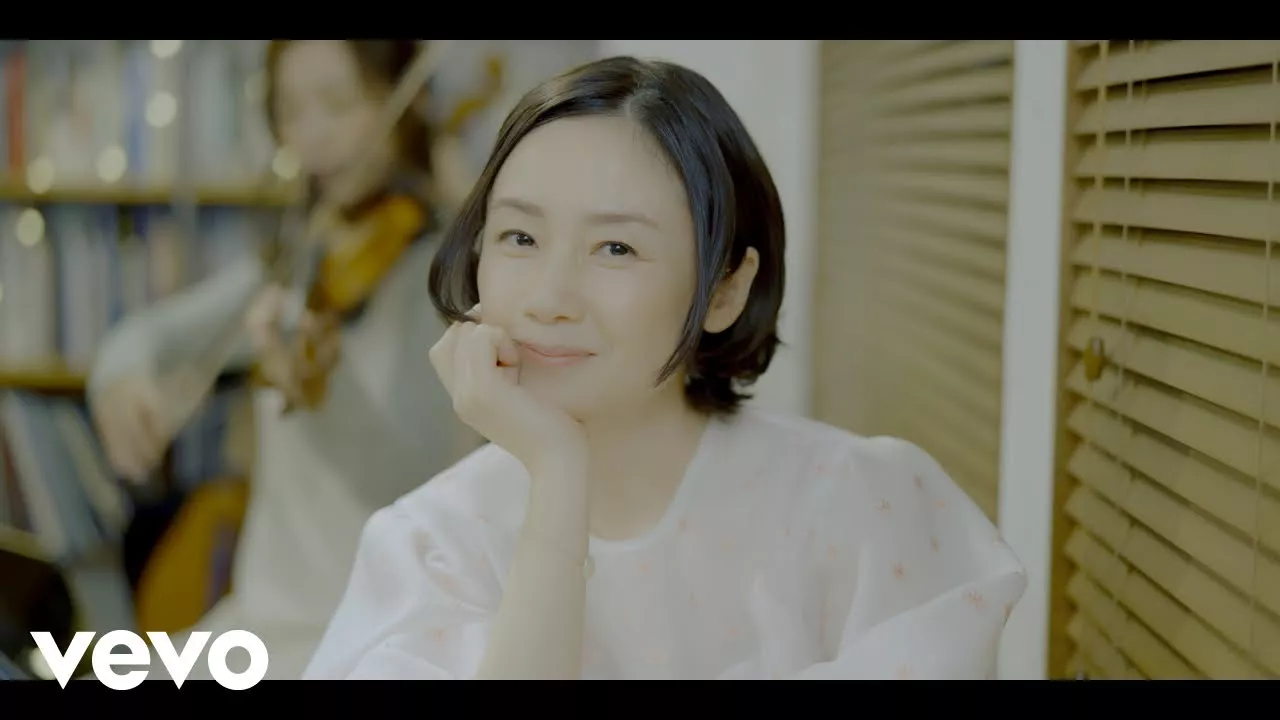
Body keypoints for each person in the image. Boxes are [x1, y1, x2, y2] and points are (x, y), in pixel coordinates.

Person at [303, 56, 1027, 681]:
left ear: (725, 290)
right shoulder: (431, 546)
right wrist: (558, 476)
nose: (549, 298)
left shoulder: (855, 507)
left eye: (616, 248)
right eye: (520, 236)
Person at [88, 40, 474, 680]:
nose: (312, 134)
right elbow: (148, 337)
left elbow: (411, 482)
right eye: (291, 111)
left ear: (401, 104)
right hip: (261, 622)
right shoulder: (299, 262)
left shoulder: (447, 284)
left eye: (338, 104)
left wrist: (322, 385)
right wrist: (121, 379)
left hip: (376, 633)